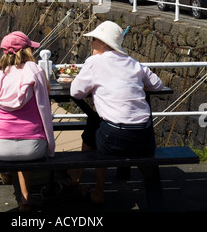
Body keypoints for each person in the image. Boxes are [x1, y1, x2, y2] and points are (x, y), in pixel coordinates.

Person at [70, 20, 164, 205]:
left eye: (94, 39)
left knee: (95, 126)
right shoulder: (133, 63)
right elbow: (158, 85)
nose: (91, 43)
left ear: (104, 43)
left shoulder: (95, 61)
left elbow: (75, 92)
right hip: (145, 138)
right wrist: (133, 84)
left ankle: (90, 185)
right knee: (96, 124)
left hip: (116, 139)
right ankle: (80, 177)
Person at [0, 31, 55, 211]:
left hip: (0, 147)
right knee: (27, 136)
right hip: (33, 148)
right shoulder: (34, 70)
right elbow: (46, 94)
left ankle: (9, 176)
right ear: (26, 51)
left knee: (14, 135)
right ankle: (24, 195)